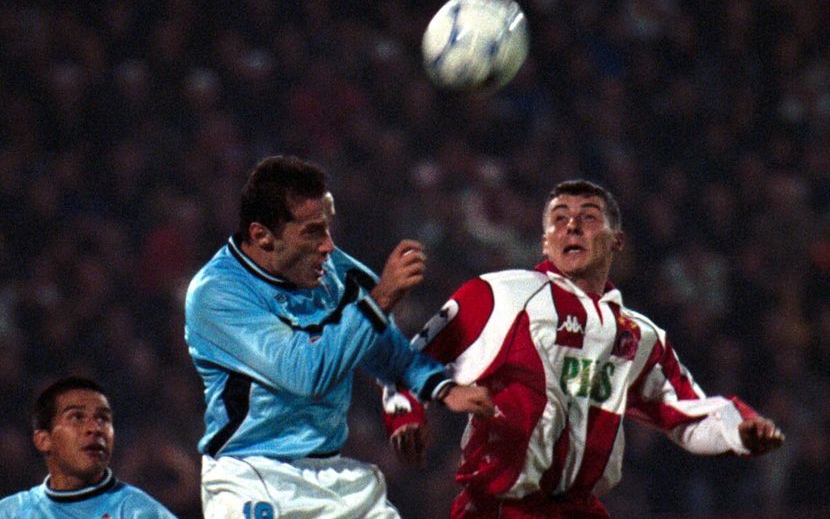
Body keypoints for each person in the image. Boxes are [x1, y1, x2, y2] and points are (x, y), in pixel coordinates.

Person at [383, 179, 785, 519]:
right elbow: (406, 359)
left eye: (588, 218)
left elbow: (687, 417)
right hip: (499, 509)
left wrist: (739, 432)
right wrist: (406, 417)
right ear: (545, 241)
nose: (572, 226)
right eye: (559, 219)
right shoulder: (500, 294)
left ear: (617, 241)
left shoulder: (640, 336)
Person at [184, 155, 493, 519]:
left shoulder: (334, 274)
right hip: (254, 475)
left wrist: (440, 388)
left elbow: (386, 350)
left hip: (334, 477)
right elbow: (306, 375)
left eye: (327, 228)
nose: (328, 246)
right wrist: (381, 299)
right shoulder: (218, 293)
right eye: (312, 232)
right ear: (262, 236)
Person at [0, 376, 178, 519]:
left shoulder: (137, 512)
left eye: (103, 418)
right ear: (43, 440)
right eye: (77, 417)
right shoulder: (11, 512)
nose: (95, 428)